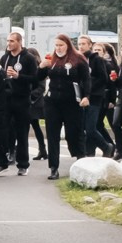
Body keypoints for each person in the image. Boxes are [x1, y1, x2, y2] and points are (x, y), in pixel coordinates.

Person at [41, 34, 89, 179]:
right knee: (53, 135)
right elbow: (38, 77)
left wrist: (87, 96)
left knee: (73, 133)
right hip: (52, 102)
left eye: (61, 45)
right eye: (56, 45)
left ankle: (80, 160)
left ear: (67, 45)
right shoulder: (51, 59)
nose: (58, 48)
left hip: (72, 103)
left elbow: (86, 79)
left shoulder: (78, 59)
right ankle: (54, 167)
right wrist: (41, 67)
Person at [0, 29, 40, 175]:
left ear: (19, 42)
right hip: (6, 99)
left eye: (12, 41)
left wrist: (18, 76)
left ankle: (23, 164)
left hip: (22, 99)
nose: (9, 43)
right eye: (8, 41)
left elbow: (35, 79)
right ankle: (1, 162)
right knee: (2, 130)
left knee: (22, 133)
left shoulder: (28, 58)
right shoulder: (5, 58)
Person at [80, 35, 116, 158]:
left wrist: (89, 86)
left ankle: (106, 146)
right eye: (79, 44)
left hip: (95, 97)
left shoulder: (97, 60)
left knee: (91, 127)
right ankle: (89, 152)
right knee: (85, 127)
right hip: (82, 98)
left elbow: (103, 78)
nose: (81, 46)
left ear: (90, 45)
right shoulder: (79, 59)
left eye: (83, 44)